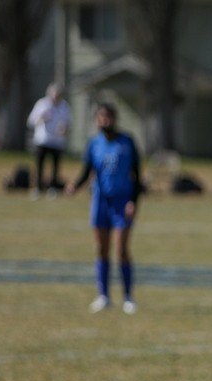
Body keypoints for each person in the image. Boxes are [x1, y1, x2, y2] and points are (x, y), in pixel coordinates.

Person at [65, 103, 142, 314]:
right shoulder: (94, 144)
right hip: (100, 202)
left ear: (115, 119)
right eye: (100, 117)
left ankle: (128, 297)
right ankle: (103, 296)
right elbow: (87, 171)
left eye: (107, 117)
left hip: (122, 202)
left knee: (121, 249)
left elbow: (137, 176)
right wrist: (74, 186)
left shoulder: (127, 143)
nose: (104, 121)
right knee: (101, 249)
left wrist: (133, 201)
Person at [26, 83, 72, 198]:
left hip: (57, 141)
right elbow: (31, 121)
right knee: (40, 165)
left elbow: (69, 124)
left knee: (55, 166)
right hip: (42, 140)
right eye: (54, 95)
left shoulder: (65, 107)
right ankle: (37, 187)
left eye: (58, 95)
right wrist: (41, 118)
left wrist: (65, 129)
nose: (56, 97)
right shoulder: (42, 104)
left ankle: (53, 188)